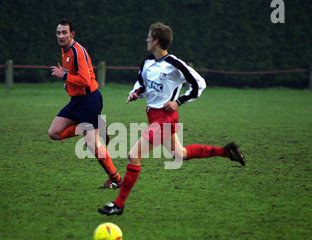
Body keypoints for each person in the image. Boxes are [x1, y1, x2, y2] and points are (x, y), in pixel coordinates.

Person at [98, 22, 246, 216]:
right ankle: (226, 151)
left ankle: (119, 204)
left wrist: (179, 101)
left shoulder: (175, 64)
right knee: (180, 154)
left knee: (133, 155)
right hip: (154, 117)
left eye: (149, 37)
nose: (146, 40)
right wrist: (136, 93)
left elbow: (199, 84)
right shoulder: (147, 62)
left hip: (165, 119)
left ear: (156, 41)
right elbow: (142, 84)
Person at [49, 19, 122, 189]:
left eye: (64, 32)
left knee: (92, 144)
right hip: (77, 101)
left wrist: (64, 76)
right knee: (54, 133)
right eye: (58, 33)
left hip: (89, 101)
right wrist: (69, 83)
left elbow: (85, 79)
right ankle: (95, 126)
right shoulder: (65, 50)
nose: (61, 36)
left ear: (72, 34)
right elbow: (77, 77)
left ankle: (116, 179)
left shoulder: (77, 51)